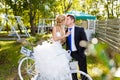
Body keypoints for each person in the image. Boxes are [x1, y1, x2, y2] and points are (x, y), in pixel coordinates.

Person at [33, 14, 72, 80]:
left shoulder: (63, 28)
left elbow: (63, 40)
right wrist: (65, 35)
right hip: (54, 47)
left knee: (61, 66)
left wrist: (64, 37)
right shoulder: (55, 27)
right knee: (53, 66)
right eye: (65, 20)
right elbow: (55, 39)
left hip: (59, 47)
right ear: (61, 21)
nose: (65, 21)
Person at [65, 14, 88, 80]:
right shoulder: (66, 31)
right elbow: (64, 42)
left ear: (72, 20)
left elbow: (85, 41)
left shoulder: (80, 29)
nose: (66, 20)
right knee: (73, 72)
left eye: (67, 19)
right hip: (71, 54)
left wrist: (83, 52)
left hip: (80, 53)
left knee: (83, 71)